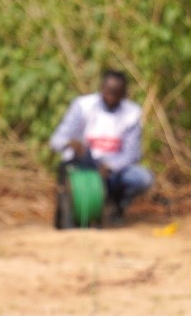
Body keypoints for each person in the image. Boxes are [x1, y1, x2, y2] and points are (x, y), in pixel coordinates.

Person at [50, 70, 153, 227]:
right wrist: (70, 143)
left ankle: (117, 207)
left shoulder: (132, 113)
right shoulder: (83, 106)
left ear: (124, 94)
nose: (111, 96)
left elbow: (132, 154)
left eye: (116, 93)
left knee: (142, 177)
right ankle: (76, 212)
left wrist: (110, 166)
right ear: (101, 88)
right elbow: (56, 140)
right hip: (83, 166)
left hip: (112, 171)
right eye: (108, 91)